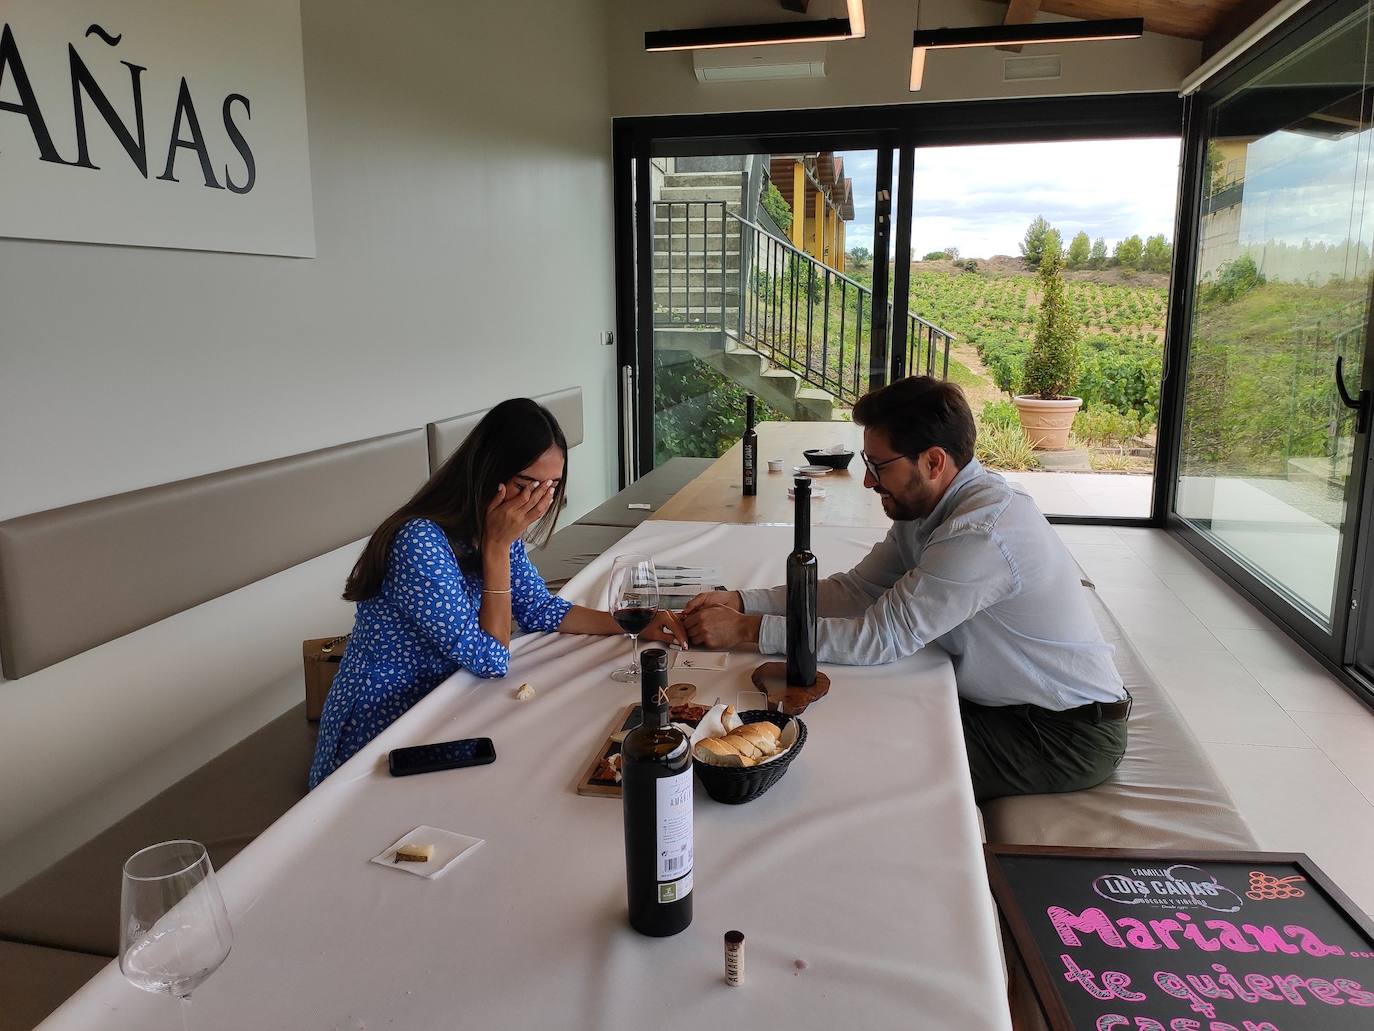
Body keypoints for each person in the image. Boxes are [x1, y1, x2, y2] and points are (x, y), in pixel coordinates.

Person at [682, 376, 1128, 803]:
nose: (868, 482)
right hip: (1006, 705)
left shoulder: (981, 533)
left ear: (933, 462)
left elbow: (881, 638)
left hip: (1063, 734)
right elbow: (857, 590)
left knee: (861, 757)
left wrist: (746, 630)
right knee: (844, 716)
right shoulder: (930, 509)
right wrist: (743, 601)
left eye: (879, 466)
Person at [309, 398, 686, 788]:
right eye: (526, 485)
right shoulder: (419, 542)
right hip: (386, 727)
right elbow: (491, 657)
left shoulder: (494, 523)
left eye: (551, 487)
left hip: (452, 704)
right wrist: (495, 549)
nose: (539, 502)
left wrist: (635, 627)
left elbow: (538, 607)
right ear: (488, 472)